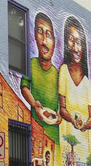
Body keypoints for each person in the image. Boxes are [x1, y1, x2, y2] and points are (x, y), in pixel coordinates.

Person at [58, 17, 91, 160]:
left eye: (79, 42)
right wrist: (72, 120)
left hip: (85, 141)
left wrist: (86, 125)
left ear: (83, 46)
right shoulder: (64, 71)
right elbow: (62, 108)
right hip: (67, 136)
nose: (75, 47)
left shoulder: (87, 83)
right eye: (71, 40)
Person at [21, 12, 61, 144]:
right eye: (40, 32)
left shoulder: (58, 74)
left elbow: (62, 100)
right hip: (34, 129)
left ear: (54, 41)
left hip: (54, 133)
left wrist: (60, 113)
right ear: (34, 36)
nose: (44, 40)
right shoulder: (30, 64)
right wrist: (34, 104)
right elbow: (24, 87)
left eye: (48, 34)